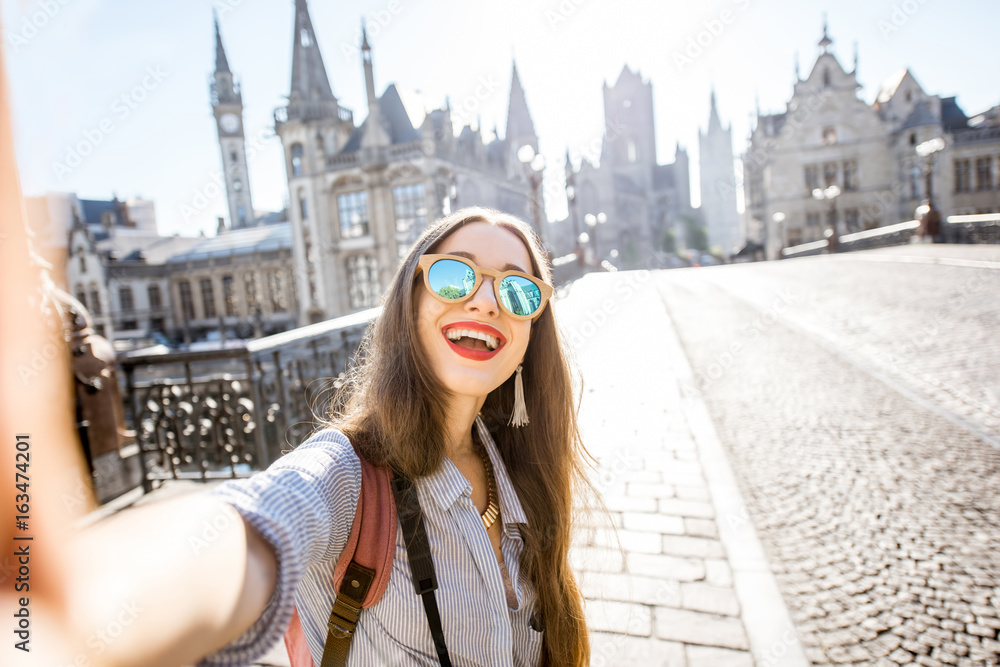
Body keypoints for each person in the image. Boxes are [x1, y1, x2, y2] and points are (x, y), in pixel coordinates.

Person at [61, 207, 596, 667]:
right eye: (455, 277)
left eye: (519, 290)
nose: (485, 302)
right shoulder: (346, 473)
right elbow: (254, 528)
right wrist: (83, 614)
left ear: (531, 333)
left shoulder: (521, 464)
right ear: (408, 305)